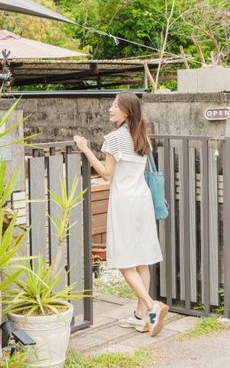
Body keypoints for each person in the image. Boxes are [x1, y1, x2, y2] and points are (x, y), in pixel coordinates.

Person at [74, 91, 168, 337]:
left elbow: (106, 174)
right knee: (141, 259)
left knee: (125, 261)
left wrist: (85, 148)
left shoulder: (115, 138)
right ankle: (142, 318)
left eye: (115, 105)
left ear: (127, 111)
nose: (110, 108)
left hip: (124, 202)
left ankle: (152, 306)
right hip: (142, 200)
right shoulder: (142, 136)